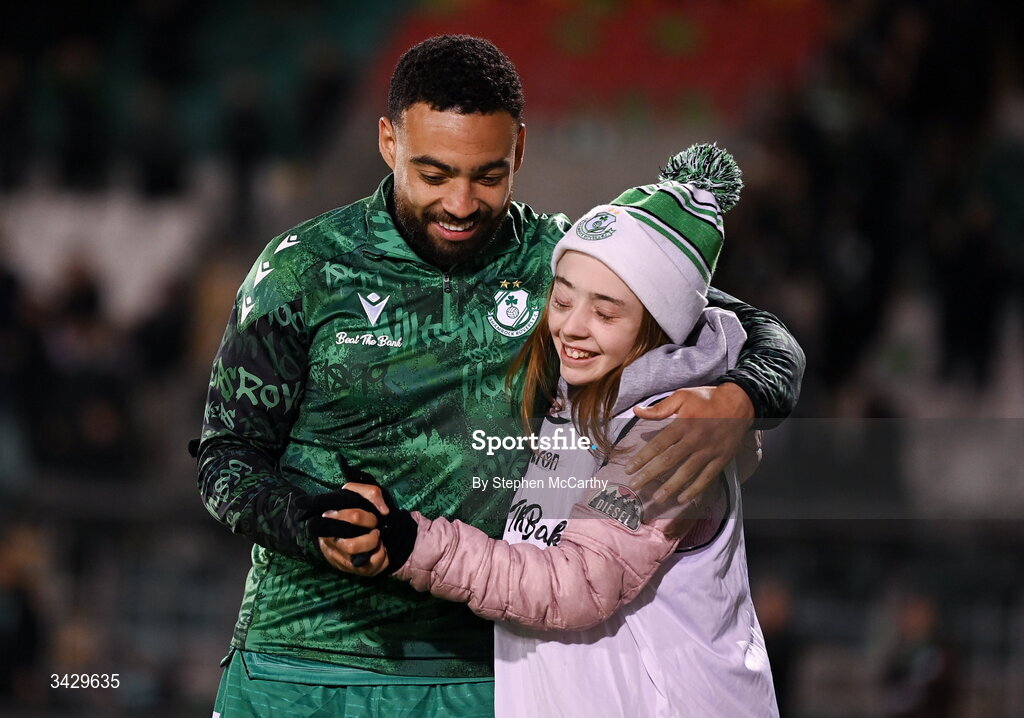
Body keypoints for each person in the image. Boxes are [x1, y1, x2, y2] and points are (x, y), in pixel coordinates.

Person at [196, 35, 804, 717]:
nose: (460, 202)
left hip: (482, 676)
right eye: (433, 174)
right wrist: (312, 525)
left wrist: (741, 398)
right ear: (388, 142)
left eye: (487, 175)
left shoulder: (564, 260)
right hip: (299, 661)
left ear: (519, 149)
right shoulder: (303, 270)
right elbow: (226, 460)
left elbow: (763, 335)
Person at [333, 144, 779, 716]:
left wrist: (409, 541)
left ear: (659, 327)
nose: (572, 327)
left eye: (606, 312)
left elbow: (572, 586)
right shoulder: (572, 399)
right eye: (563, 301)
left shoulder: (669, 433)